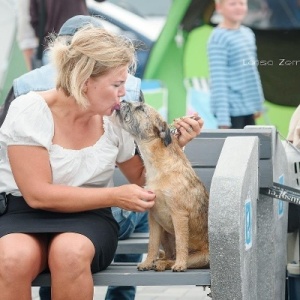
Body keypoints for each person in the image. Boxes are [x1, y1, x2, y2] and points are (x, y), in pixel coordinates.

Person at [0, 25, 204, 300]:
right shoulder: (29, 110)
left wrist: (174, 146)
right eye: (117, 84)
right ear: (85, 80)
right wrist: (115, 196)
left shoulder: (113, 119)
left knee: (70, 254)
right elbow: (37, 195)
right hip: (24, 212)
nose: (123, 93)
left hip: (89, 218)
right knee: (12, 258)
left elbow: (142, 178)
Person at [207, 0, 265, 129]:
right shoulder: (218, 37)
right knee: (235, 148)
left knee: (252, 145)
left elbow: (252, 72)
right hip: (231, 110)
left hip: (248, 107)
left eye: (241, 3)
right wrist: (223, 119)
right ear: (219, 7)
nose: (238, 7)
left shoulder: (248, 33)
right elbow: (218, 80)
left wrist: (258, 103)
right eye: (232, 4)